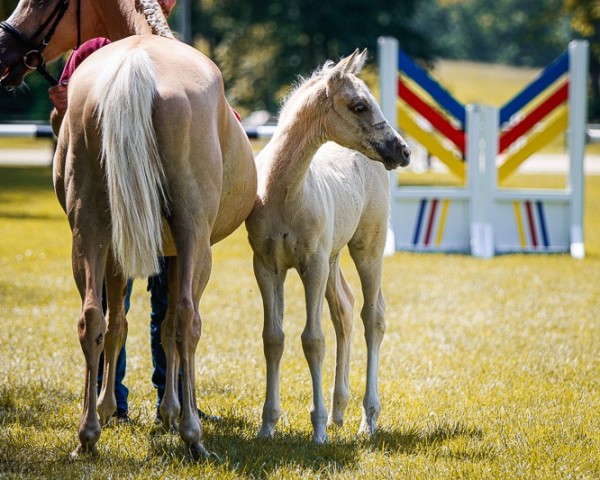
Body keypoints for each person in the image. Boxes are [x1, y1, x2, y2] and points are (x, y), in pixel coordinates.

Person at [48, 0, 218, 424]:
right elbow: (64, 123)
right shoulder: (170, 57)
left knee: (115, 296)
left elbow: (65, 139)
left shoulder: (90, 57)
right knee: (154, 294)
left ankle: (120, 400)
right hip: (149, 198)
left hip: (115, 202)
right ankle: (169, 395)